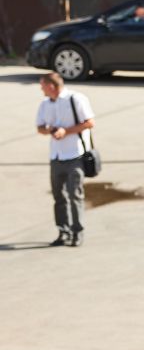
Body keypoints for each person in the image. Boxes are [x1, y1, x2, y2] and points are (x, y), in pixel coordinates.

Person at [36, 72, 95, 247]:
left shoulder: (75, 99)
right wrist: (50, 130)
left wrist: (65, 131)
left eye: (43, 86)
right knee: (58, 197)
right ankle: (63, 231)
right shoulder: (44, 104)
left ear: (51, 86)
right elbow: (39, 128)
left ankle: (78, 232)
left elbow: (90, 122)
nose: (41, 89)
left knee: (75, 195)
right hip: (56, 157)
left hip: (74, 155)